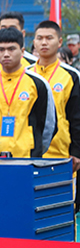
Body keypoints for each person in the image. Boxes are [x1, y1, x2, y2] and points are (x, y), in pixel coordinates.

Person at [0, 27, 57, 158]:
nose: (6, 54)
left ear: (22, 51)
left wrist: (36, 148)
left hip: (27, 156)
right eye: (1, 49)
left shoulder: (37, 83)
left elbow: (48, 125)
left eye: (11, 49)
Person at [29, 20, 80, 165]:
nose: (44, 43)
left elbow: (76, 117)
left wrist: (76, 152)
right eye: (40, 38)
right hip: (28, 153)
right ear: (34, 42)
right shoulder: (26, 74)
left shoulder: (71, 76)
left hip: (61, 153)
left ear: (59, 42)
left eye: (49, 38)